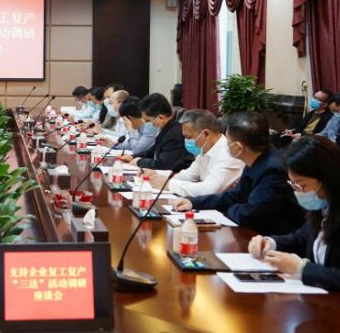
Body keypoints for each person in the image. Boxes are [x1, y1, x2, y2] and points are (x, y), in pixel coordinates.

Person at [173, 112, 305, 236]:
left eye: (228, 142)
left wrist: (229, 209)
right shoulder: (256, 157)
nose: (226, 145)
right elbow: (235, 195)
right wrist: (193, 202)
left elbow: (250, 214)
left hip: (274, 238)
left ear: (238, 147)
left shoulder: (273, 169)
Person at [248, 136, 340, 291]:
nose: (299, 191)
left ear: (327, 178)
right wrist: (270, 242)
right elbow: (300, 238)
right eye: (293, 184)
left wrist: (301, 269)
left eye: (302, 185)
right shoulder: (324, 205)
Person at [145, 109, 244, 196]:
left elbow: (209, 190)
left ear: (206, 134)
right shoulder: (205, 149)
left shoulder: (227, 153)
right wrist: (157, 173)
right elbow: (189, 175)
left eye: (189, 137)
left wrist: (169, 184)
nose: (186, 141)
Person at [122, 93, 189, 170]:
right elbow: (151, 152)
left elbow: (163, 165)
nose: (145, 124)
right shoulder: (166, 129)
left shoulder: (173, 135)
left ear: (160, 118)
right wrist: (132, 157)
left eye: (148, 121)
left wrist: (139, 162)